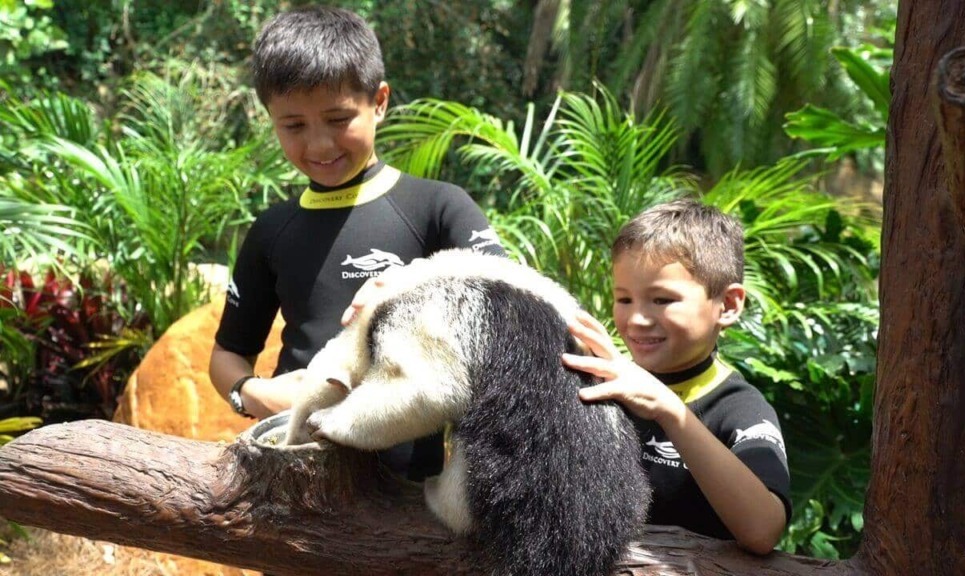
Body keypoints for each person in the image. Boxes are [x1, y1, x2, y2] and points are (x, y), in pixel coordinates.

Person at [209, 5, 505, 482]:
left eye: (338, 118)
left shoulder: (438, 208)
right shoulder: (272, 229)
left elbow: (507, 300)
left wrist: (404, 284)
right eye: (294, 126)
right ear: (271, 119)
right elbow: (227, 353)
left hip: (408, 497)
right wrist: (253, 394)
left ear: (380, 102)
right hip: (293, 485)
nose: (320, 145)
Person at [560, 198, 791, 555]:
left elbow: (763, 530)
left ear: (727, 305)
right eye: (624, 300)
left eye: (662, 300)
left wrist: (669, 410)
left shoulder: (738, 408)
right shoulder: (611, 381)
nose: (636, 320)